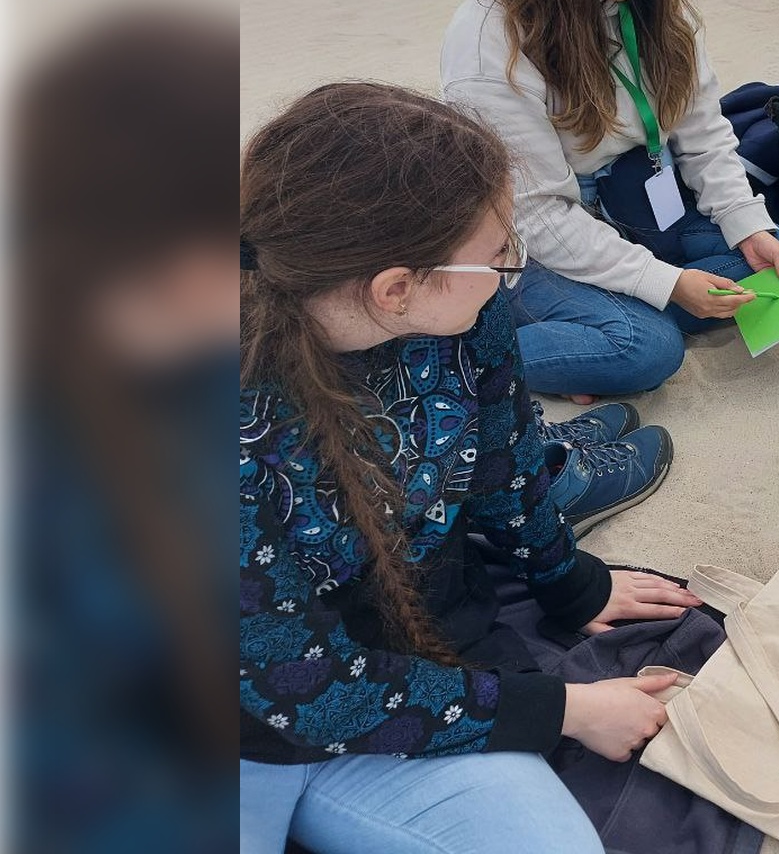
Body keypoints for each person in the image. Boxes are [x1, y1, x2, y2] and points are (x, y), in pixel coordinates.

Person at [239, 84, 703, 853]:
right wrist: (566, 710)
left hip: (396, 662)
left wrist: (570, 583)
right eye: (496, 256)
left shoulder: (464, 316)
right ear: (395, 288)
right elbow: (299, 687)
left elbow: (505, 461)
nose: (510, 270)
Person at [442, 0, 779, 404]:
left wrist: (746, 222)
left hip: (636, 203)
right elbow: (536, 217)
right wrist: (666, 283)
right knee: (646, 349)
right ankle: (459, 358)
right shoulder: (488, 45)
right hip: (532, 244)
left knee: (777, 254)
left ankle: (591, 335)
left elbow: (703, 130)